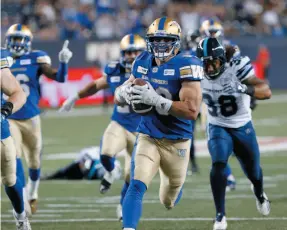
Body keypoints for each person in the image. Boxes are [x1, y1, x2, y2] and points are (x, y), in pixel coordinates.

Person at [115, 17, 203, 230]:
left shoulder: (187, 64)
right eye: (156, 40)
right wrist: (122, 92)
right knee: (136, 185)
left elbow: (192, 111)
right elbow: (123, 93)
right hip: (149, 135)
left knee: (168, 200)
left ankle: (174, 187)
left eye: (166, 40)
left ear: (176, 41)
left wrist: (156, 100)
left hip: (178, 141)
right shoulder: (142, 61)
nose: (160, 45)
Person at [59, 33, 145, 220]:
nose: (131, 56)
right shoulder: (116, 71)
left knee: (133, 175)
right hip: (120, 124)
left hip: (143, 131)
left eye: (136, 52)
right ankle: (112, 170)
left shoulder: (153, 71)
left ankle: (123, 206)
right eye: (128, 52)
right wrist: (74, 98)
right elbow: (96, 85)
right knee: (105, 154)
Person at [197, 37, 271, 230]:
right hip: (217, 125)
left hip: (242, 126)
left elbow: (266, 91)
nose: (209, 68)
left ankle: (260, 194)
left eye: (213, 62)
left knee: (254, 172)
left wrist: (243, 88)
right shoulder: (195, 71)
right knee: (219, 163)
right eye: (205, 63)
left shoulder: (236, 67)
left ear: (222, 60)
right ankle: (220, 215)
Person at [5, 24, 73, 214]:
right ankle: (23, 198)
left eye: (20, 39)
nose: (17, 44)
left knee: (34, 161)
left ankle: (33, 193)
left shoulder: (36, 58)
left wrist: (64, 63)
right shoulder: (3, 58)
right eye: (14, 39)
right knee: (15, 156)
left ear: (27, 42)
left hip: (31, 117)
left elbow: (59, 77)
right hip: (10, 117)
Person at [1, 47, 31, 229]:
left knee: (10, 180)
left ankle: (20, 216)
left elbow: (18, 93)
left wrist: (6, 109)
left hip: (0, 134)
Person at [41, 146, 121, 181]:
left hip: (97, 167)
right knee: (67, 172)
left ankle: (52, 176)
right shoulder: (89, 154)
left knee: (68, 172)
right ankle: (52, 176)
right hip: (92, 166)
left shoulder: (91, 154)